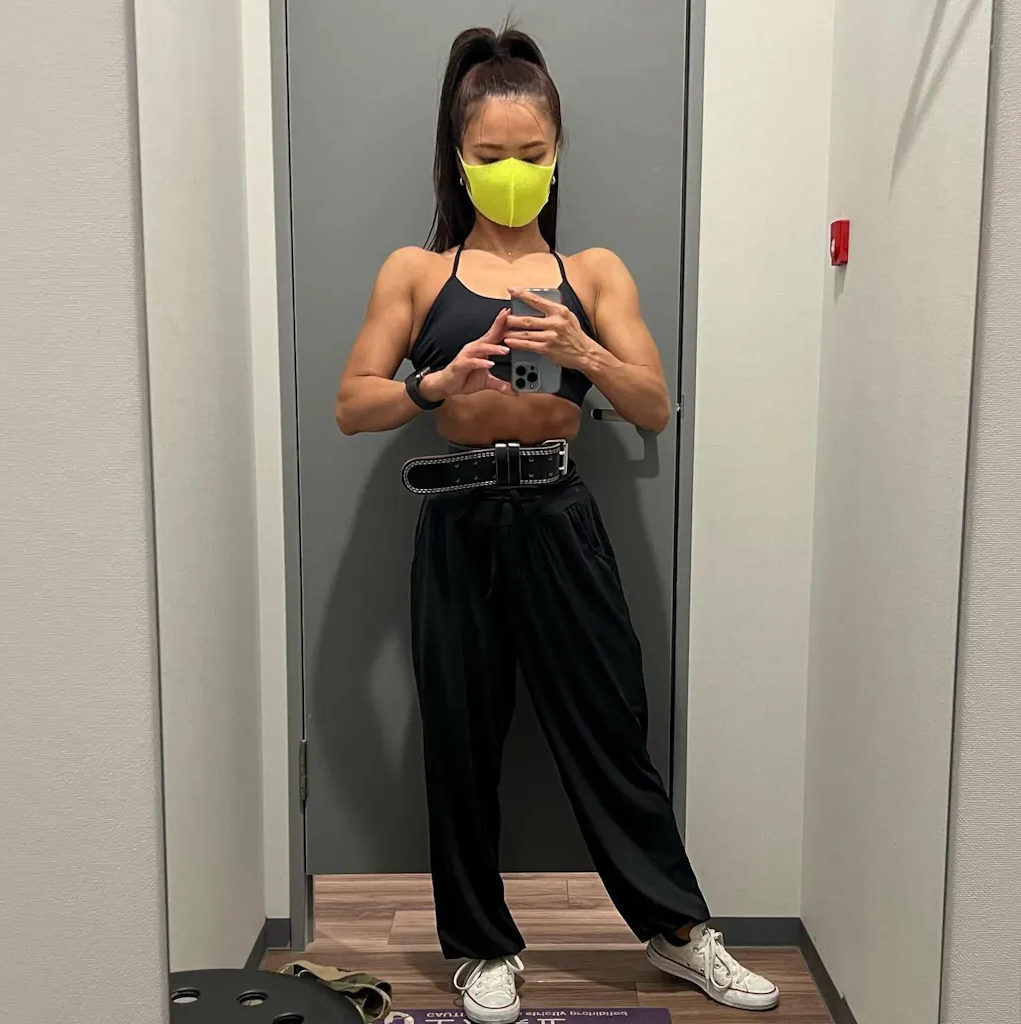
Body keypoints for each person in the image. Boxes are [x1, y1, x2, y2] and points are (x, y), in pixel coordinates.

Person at [335, 24, 779, 1023]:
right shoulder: (416, 272)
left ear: (556, 153)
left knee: (609, 726)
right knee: (460, 735)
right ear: (459, 156)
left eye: (529, 154)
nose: (511, 172)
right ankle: (482, 947)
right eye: (490, 155)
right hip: (457, 520)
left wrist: (584, 350)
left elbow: (653, 407)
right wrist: (433, 383)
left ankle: (677, 931)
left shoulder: (595, 271)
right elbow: (351, 404)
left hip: (560, 514)